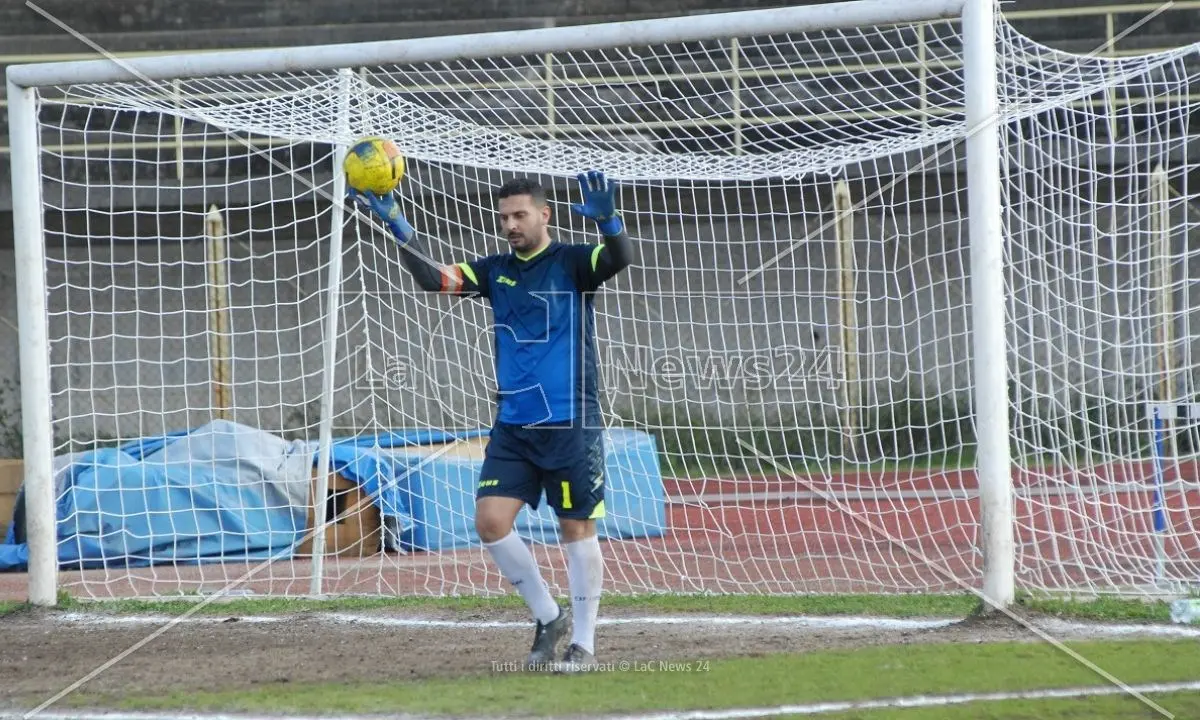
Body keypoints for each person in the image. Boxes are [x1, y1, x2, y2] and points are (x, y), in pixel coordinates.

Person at [349, 171, 634, 672]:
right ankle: (549, 618)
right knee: (490, 521)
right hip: (514, 424)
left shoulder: (571, 262)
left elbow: (618, 259)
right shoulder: (495, 270)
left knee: (576, 528)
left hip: (571, 420)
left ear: (544, 215)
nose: (510, 225)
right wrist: (399, 229)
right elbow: (436, 279)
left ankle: (584, 645)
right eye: (504, 217)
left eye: (520, 215)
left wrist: (609, 221)